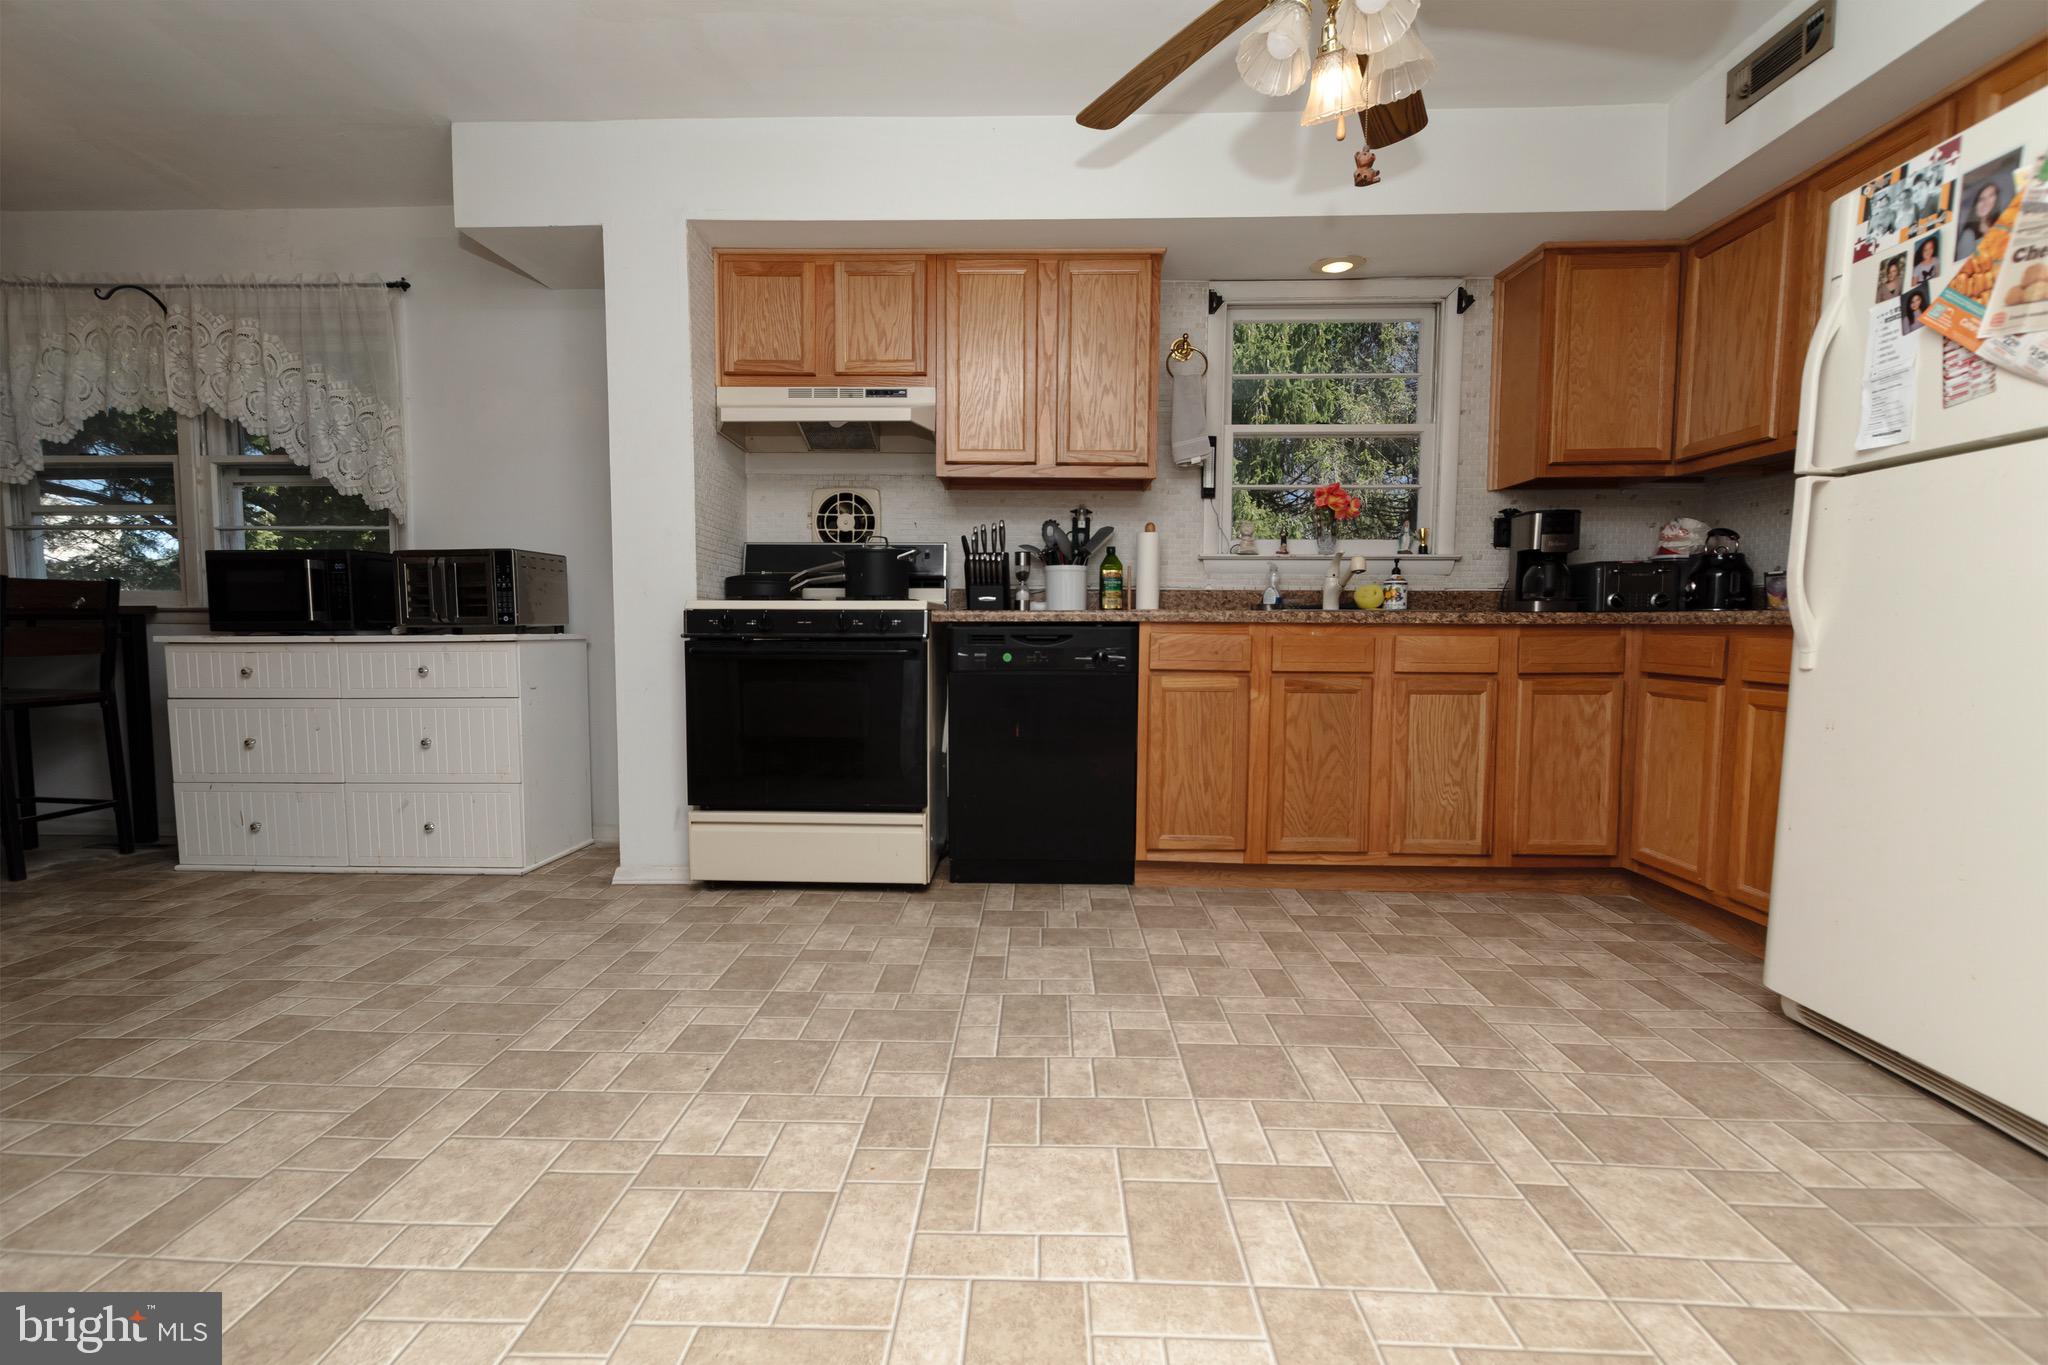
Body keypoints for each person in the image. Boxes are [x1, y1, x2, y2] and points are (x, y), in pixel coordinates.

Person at [1958, 178, 2004, 256]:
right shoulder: (1968, 235)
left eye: (1990, 196)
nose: (1985, 203)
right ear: (1975, 204)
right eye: (1981, 199)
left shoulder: (2001, 226)